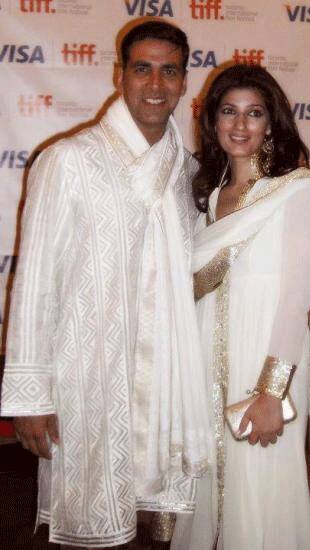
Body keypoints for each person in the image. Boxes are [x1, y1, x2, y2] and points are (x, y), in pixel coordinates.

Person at [0, 21, 209, 549]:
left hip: (166, 389)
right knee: (88, 529)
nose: (155, 85)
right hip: (87, 384)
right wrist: (31, 396)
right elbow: (35, 284)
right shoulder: (69, 160)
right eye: (142, 69)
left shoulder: (190, 174)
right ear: (120, 75)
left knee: (157, 532)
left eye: (169, 71)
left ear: (185, 81)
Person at [171, 64, 310, 550]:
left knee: (264, 485)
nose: (240, 126)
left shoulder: (297, 190)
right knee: (212, 488)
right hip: (206, 364)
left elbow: (295, 299)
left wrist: (270, 392)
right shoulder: (208, 198)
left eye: (254, 113)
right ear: (212, 120)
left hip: (267, 367)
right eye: (229, 112)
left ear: (272, 123)